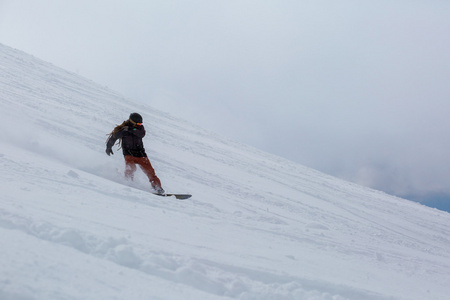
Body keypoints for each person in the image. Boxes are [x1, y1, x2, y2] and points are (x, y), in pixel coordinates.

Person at [105, 113, 165, 194]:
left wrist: (130, 129)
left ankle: (158, 188)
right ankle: (128, 184)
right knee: (130, 170)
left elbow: (141, 134)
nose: (140, 125)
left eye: (140, 123)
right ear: (132, 122)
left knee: (150, 172)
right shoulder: (123, 129)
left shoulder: (140, 129)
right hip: (129, 154)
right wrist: (109, 147)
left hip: (141, 154)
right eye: (138, 123)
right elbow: (114, 136)